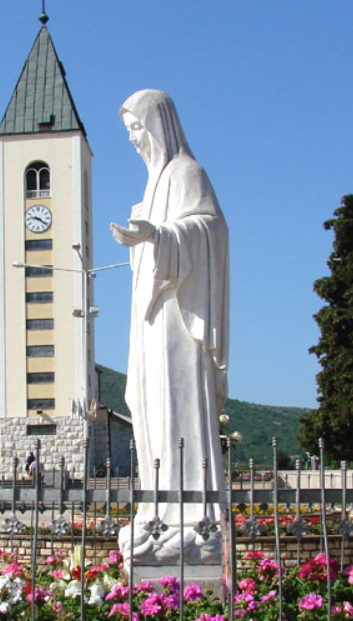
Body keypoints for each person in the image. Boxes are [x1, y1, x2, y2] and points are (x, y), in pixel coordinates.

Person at [111, 90, 228, 563]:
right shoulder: (153, 185)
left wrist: (158, 235)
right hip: (151, 319)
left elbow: (212, 229)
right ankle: (158, 506)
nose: (134, 140)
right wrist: (144, 234)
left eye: (138, 128)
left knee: (178, 407)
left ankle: (195, 517)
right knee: (146, 403)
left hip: (180, 319)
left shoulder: (186, 173)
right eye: (128, 133)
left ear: (159, 124)